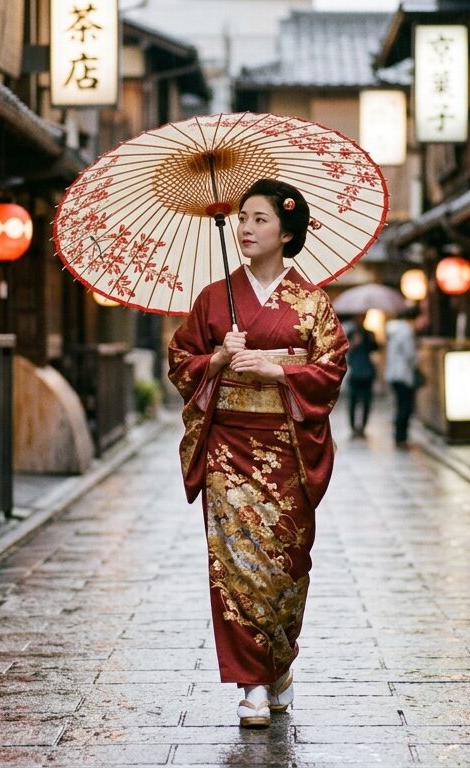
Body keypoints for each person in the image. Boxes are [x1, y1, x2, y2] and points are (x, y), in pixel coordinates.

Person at [167, 178, 348, 728]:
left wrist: (277, 370)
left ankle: (280, 662)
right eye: (242, 217)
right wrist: (219, 359)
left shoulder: (312, 303)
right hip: (229, 449)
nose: (246, 227)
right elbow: (180, 361)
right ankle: (250, 684)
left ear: (288, 231)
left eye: (260, 219)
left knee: (287, 567)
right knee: (234, 566)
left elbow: (332, 368)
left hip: (286, 449)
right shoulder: (211, 299)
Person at [384, 305, 420, 447]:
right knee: (405, 407)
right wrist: (419, 357)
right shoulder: (405, 332)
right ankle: (401, 437)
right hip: (403, 375)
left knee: (401, 406)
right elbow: (410, 355)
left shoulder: (395, 331)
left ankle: (400, 437)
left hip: (394, 374)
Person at [344, 319, 378, 437]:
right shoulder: (351, 332)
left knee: (366, 401)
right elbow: (344, 348)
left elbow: (376, 348)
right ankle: (353, 428)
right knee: (353, 401)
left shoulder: (368, 333)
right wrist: (353, 344)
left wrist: (373, 339)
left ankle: (363, 427)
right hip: (354, 372)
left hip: (367, 372)